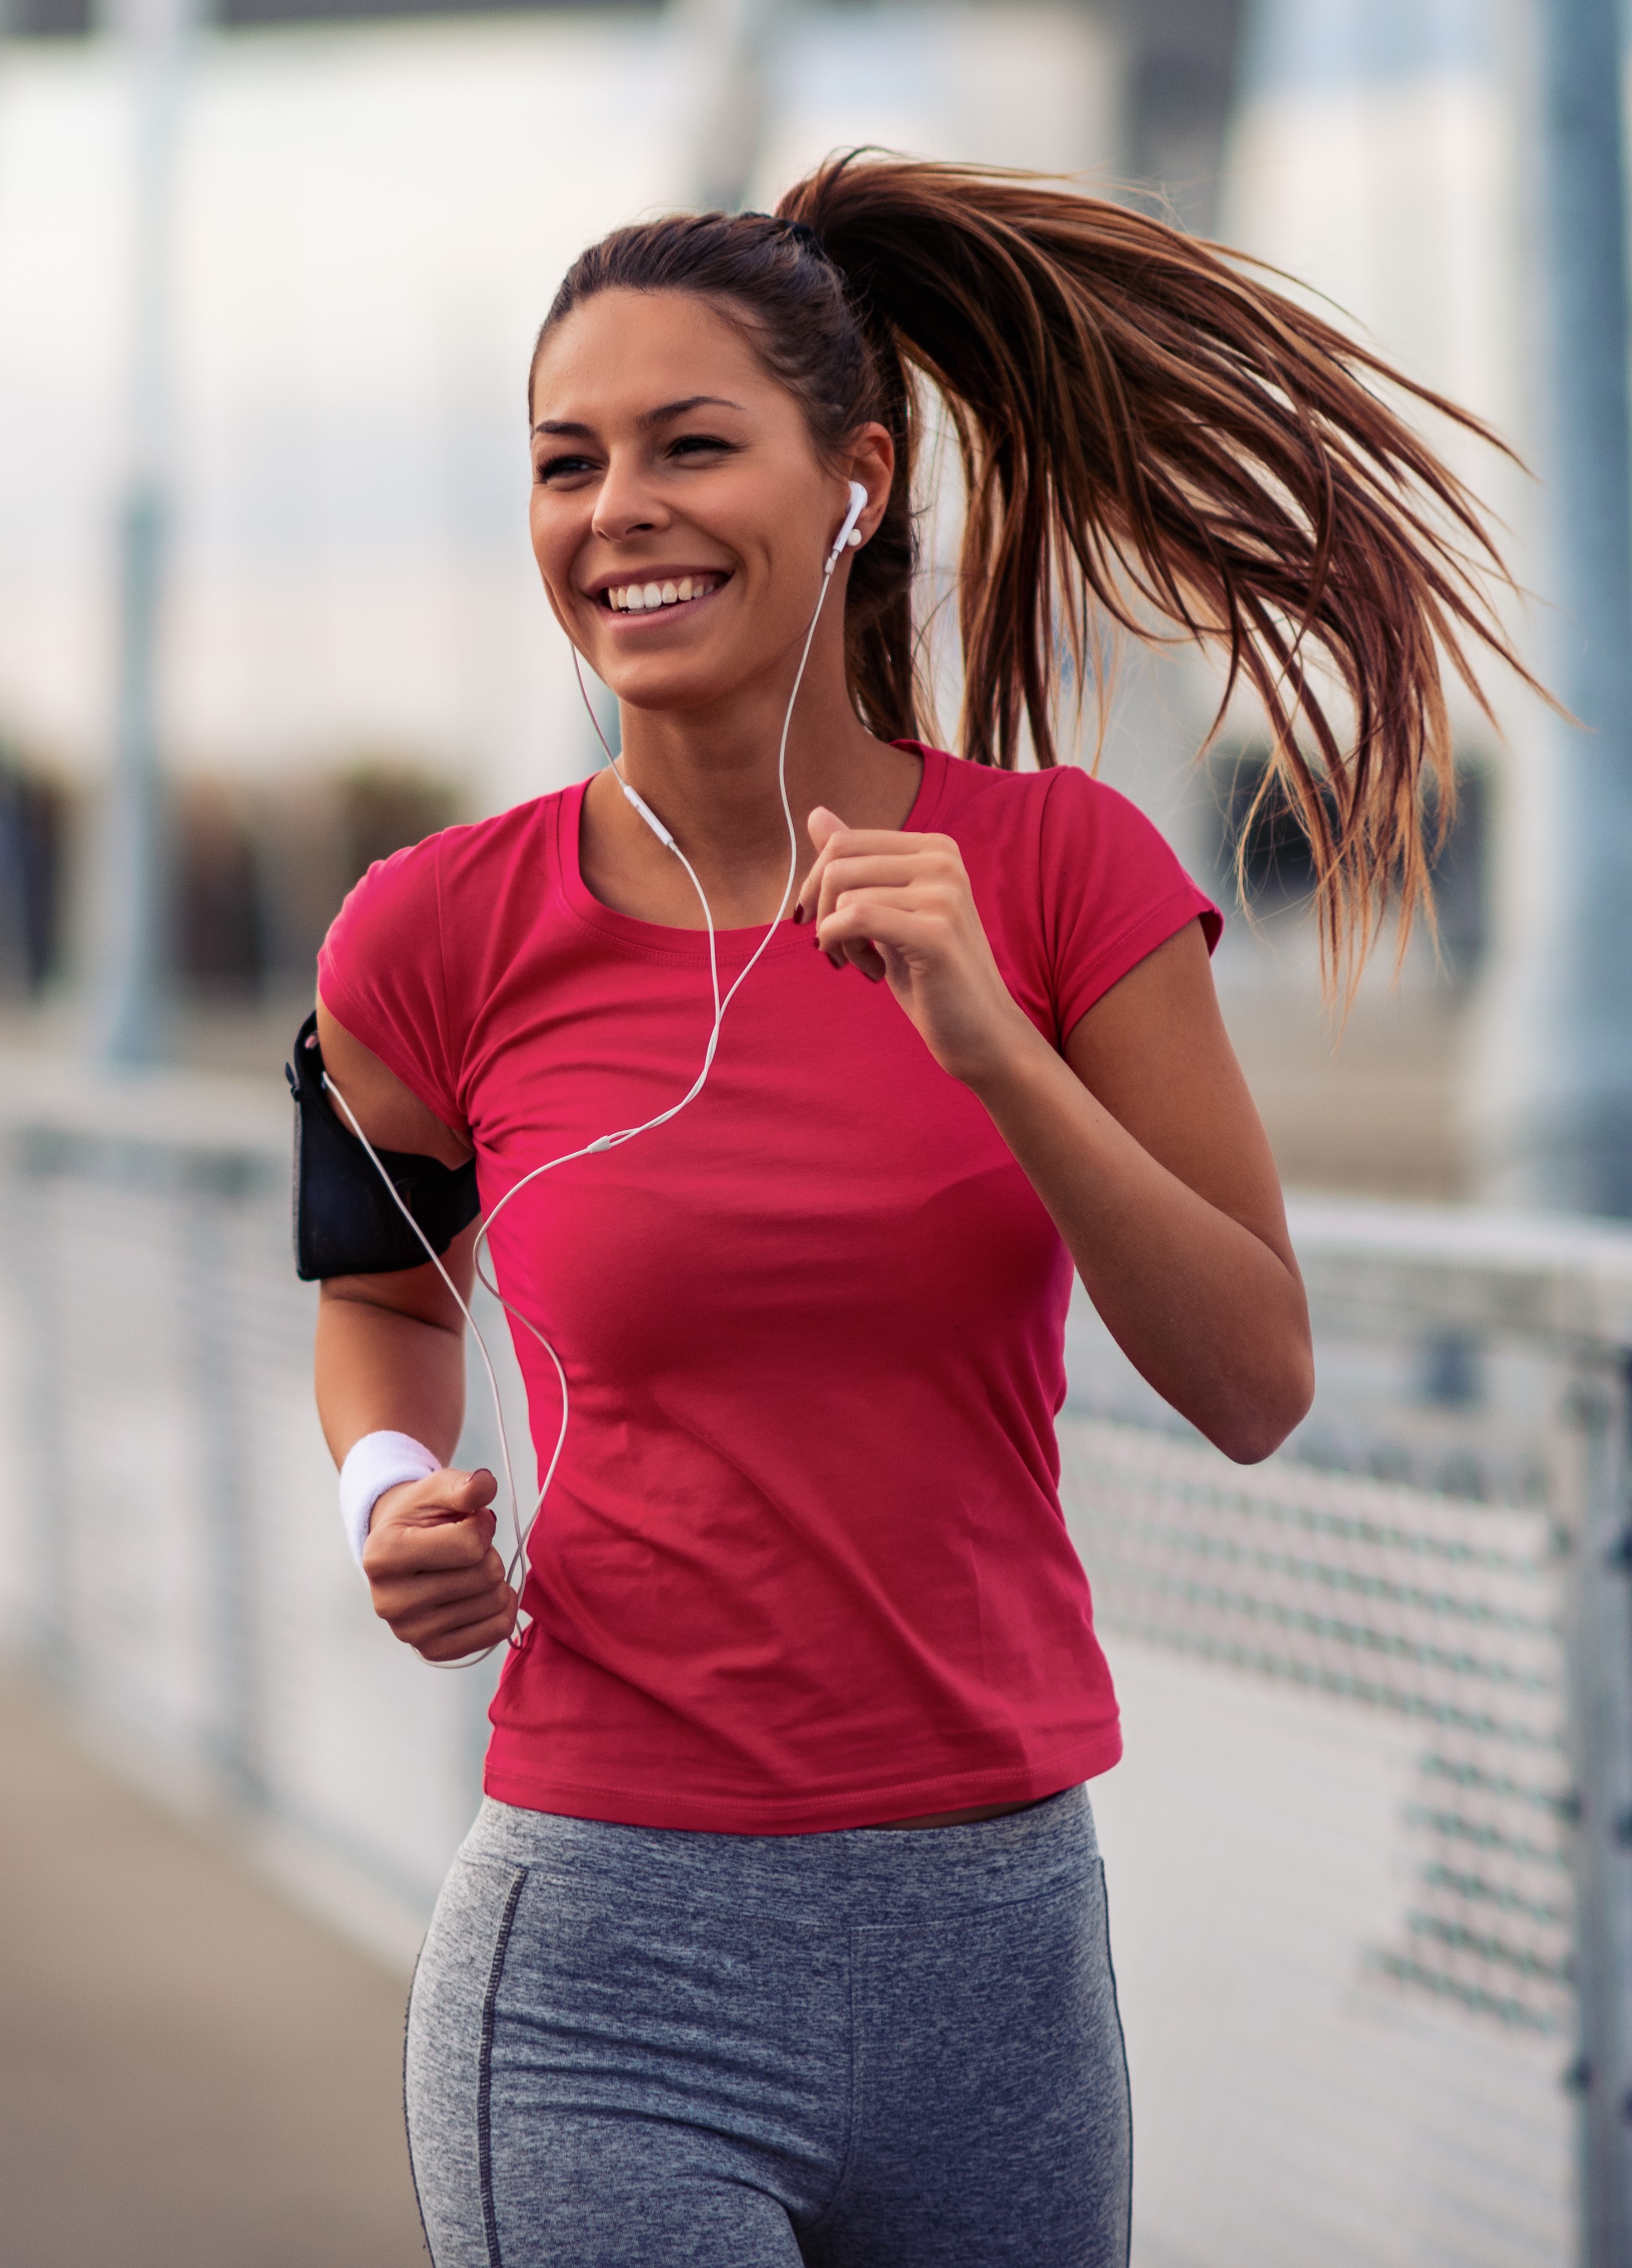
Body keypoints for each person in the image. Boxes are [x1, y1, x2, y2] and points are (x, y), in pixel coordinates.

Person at [304, 154, 1527, 2267]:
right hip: (607, 1964)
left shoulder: (1065, 878)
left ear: (855, 480)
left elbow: (1254, 1380)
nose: (621, 514)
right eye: (566, 463)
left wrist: (995, 1044)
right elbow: (383, 1311)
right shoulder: (421, 935)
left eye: (697, 446)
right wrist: (388, 1496)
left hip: (1000, 1963)